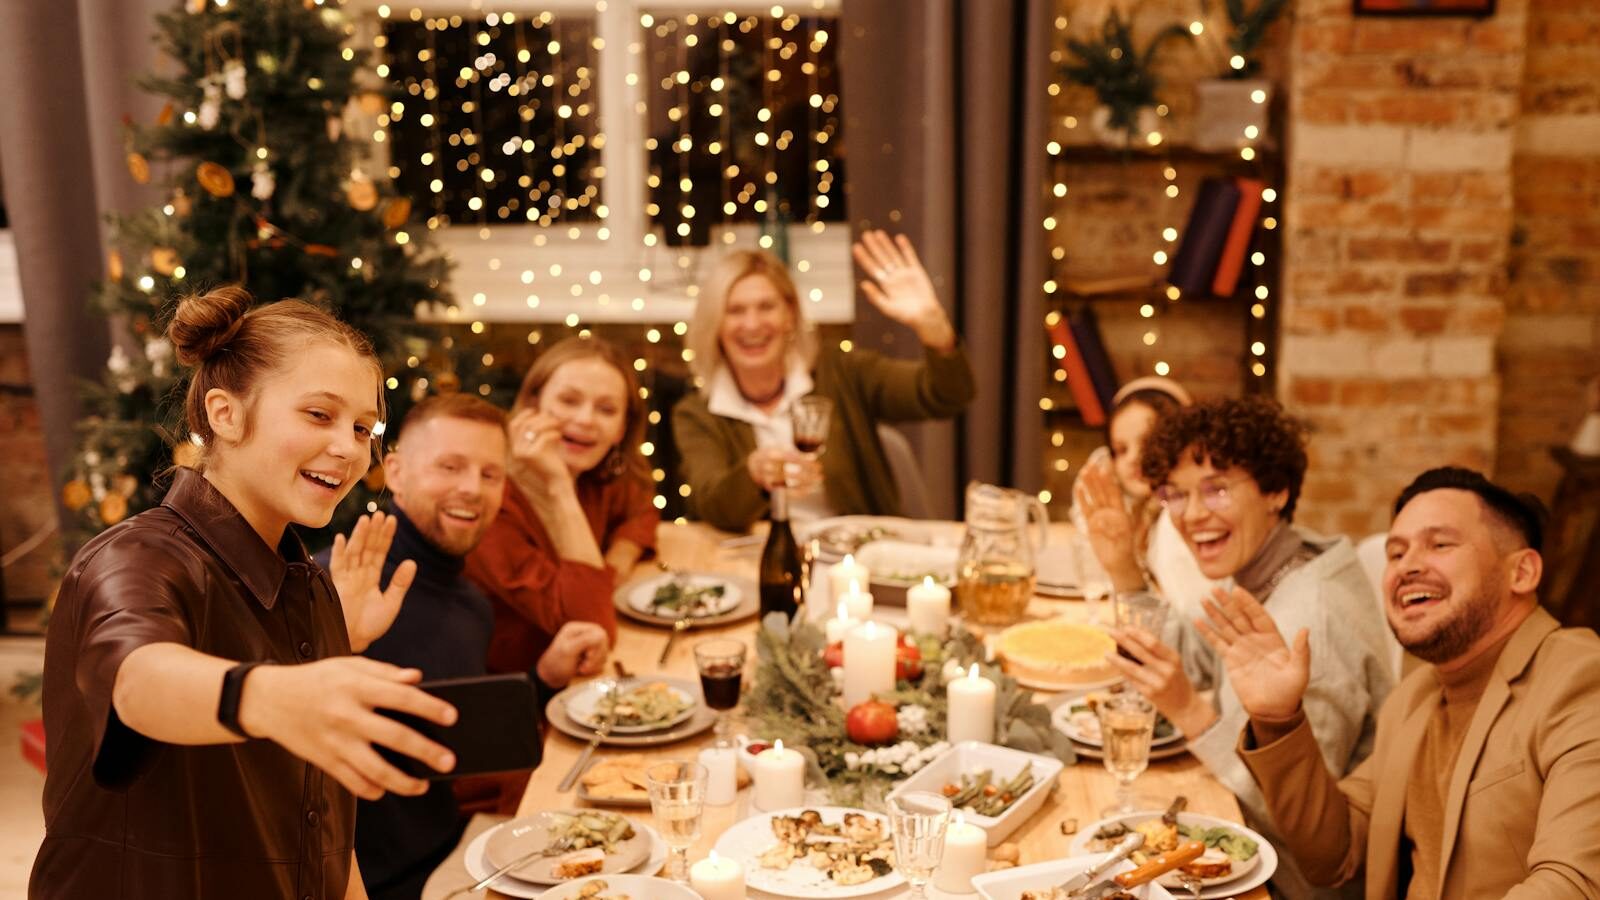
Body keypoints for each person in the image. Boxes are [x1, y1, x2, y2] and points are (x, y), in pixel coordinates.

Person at [32, 287, 456, 899]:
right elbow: (137, 681)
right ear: (226, 415)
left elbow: (322, 825)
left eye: (364, 427)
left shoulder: (307, 583)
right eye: (319, 414)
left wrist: (339, 639)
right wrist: (273, 693)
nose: (349, 446)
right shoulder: (136, 557)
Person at [1205, 467, 1600, 898]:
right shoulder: (1414, 698)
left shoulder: (1580, 678)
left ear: (1521, 572)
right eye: (1395, 553)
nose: (1407, 566)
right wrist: (1279, 720)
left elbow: (1573, 885)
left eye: (1440, 544)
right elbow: (1335, 856)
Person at [313, 393, 609, 900]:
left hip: (459, 855)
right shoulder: (332, 587)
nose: (471, 489)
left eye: (491, 475)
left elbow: (452, 728)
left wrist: (544, 679)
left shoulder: (471, 602)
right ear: (398, 473)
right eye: (450, 467)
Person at [1106, 396, 1394, 900]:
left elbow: (1302, 830)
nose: (1192, 515)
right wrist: (1123, 570)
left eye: (1216, 490)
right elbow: (1197, 654)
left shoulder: (1309, 622)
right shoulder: (1275, 562)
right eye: (1175, 495)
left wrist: (1191, 712)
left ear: (1275, 490)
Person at [673, 231, 976, 532]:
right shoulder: (697, 414)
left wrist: (933, 327)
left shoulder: (842, 371)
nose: (752, 324)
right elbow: (713, 506)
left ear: (790, 314)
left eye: (766, 307)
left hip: (856, 558)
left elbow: (947, 396)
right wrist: (754, 475)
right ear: (715, 323)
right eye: (735, 311)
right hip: (762, 561)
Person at [465, 336, 658, 676]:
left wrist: (616, 562)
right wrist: (559, 488)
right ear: (532, 405)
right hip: (519, 693)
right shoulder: (488, 499)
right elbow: (590, 626)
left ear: (621, 429)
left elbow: (642, 509)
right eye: (569, 401)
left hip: (576, 679)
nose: (585, 419)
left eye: (606, 409)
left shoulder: (593, 472)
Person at [1070, 376, 1213, 617]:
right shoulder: (1132, 514)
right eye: (1121, 449)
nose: (1134, 458)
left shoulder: (1180, 522)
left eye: (1148, 443)